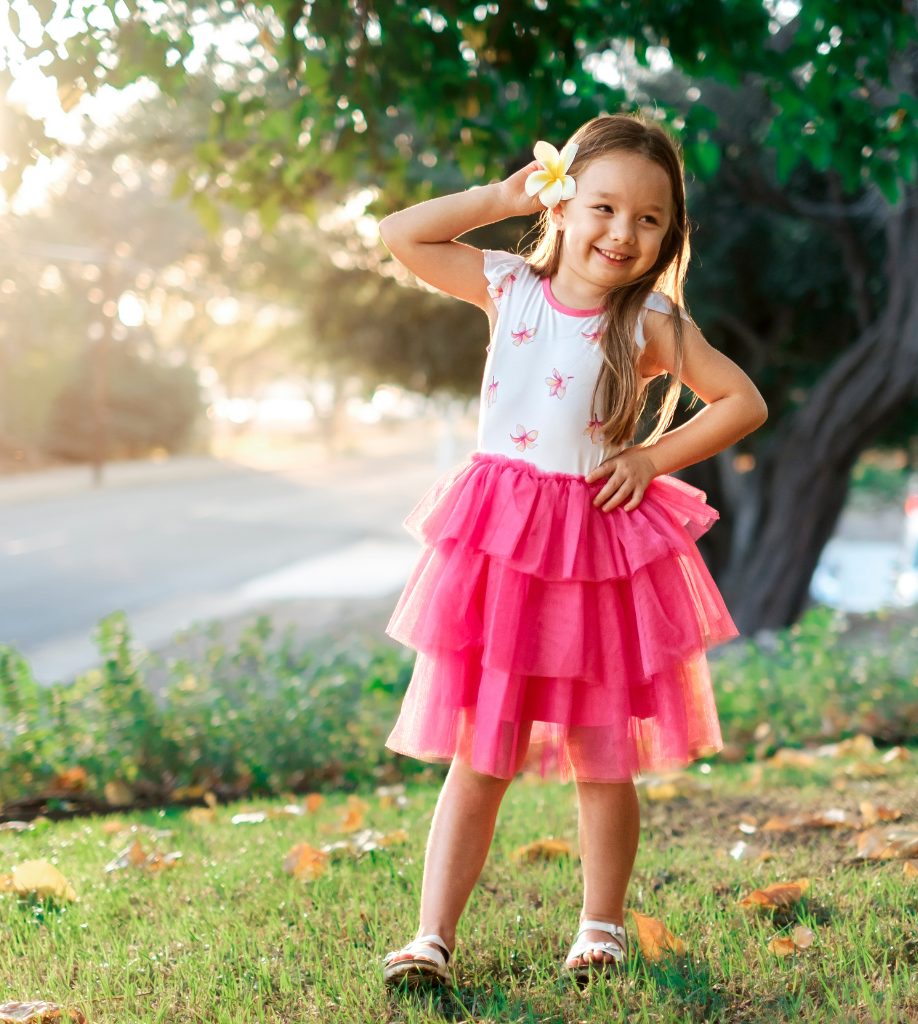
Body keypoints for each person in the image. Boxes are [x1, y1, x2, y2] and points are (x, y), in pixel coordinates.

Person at [376, 113, 767, 988]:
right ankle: (430, 938)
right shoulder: (508, 286)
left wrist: (650, 458)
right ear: (561, 207)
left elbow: (741, 402)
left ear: (671, 234)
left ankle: (600, 927)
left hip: (592, 557)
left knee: (602, 756)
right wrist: (498, 198)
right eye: (601, 208)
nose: (622, 233)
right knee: (480, 757)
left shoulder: (649, 322)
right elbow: (399, 234)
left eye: (649, 219)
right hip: (503, 554)